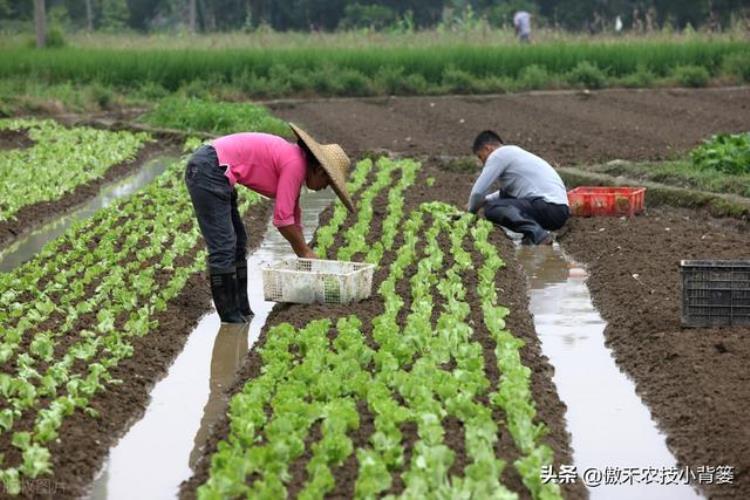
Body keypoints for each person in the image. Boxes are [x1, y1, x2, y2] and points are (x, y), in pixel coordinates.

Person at [185, 123, 354, 323]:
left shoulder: (296, 163)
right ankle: (230, 318)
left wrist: (305, 253)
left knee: (238, 242)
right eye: (327, 183)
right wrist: (304, 252)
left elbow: (293, 216)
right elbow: (282, 220)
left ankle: (243, 311)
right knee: (223, 246)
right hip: (209, 168)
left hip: (216, 169)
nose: (324, 188)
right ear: (319, 170)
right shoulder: (295, 165)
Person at [467, 130, 569, 245]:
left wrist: (469, 213)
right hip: (557, 210)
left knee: (492, 209)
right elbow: (502, 194)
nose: (483, 162)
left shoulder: (499, 154)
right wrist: (484, 201)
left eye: (481, 157)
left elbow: (478, 193)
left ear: (488, 148)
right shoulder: (513, 154)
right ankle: (531, 236)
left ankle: (538, 234)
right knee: (503, 198)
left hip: (549, 207)